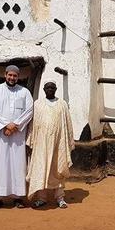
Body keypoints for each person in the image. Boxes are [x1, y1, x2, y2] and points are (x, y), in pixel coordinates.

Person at [0, 65, 34, 210]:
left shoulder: (24, 92)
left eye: (15, 76)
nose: (12, 78)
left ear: (18, 77)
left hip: (17, 135)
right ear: (5, 74)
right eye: (10, 75)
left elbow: (29, 111)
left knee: (17, 164)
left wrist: (15, 126)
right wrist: (5, 125)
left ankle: (17, 197)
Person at [26, 81, 75, 209]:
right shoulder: (37, 104)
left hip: (58, 144)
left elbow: (67, 123)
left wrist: (68, 141)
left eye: (52, 87)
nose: (50, 89)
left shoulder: (62, 104)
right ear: (43, 89)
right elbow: (33, 124)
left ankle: (60, 198)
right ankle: (42, 198)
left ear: (56, 89)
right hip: (41, 144)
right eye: (47, 87)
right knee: (41, 169)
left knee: (58, 169)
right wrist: (31, 141)